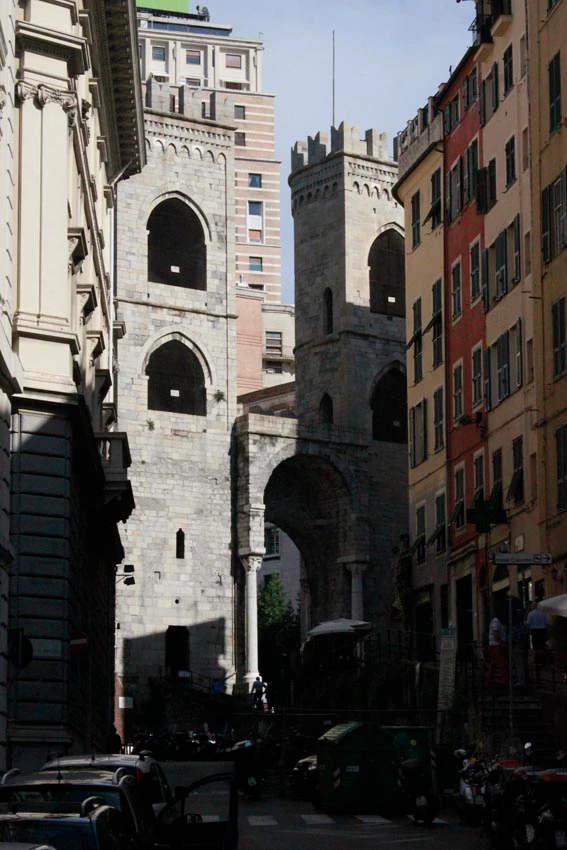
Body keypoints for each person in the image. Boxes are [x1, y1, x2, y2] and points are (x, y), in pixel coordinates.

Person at [486, 613, 508, 687]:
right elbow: (496, 634)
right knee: (501, 663)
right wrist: (501, 642)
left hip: (494, 645)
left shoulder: (496, 621)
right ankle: (505, 680)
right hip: (496, 646)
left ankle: (488, 680)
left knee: (493, 664)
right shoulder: (496, 621)